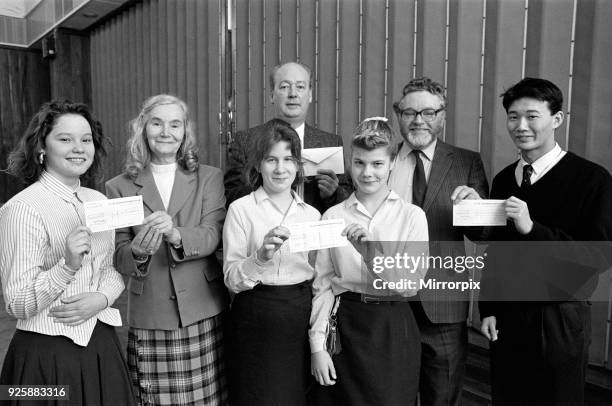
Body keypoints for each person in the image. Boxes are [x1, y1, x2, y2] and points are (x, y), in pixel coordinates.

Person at [479, 77, 612, 405]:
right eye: (513, 116)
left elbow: (599, 255)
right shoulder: (504, 179)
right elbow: (497, 253)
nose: (520, 125)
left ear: (557, 119)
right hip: (508, 317)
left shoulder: (591, 179)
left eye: (532, 116)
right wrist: (489, 308)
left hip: (560, 317)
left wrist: (532, 229)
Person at [0, 100, 134, 404]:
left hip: (102, 347)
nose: (78, 148)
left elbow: (110, 270)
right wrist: (67, 266)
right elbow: (17, 303)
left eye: (86, 140)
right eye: (65, 139)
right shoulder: (21, 209)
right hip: (45, 358)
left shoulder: (97, 199)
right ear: (41, 148)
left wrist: (101, 298)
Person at [105, 94, 229, 405]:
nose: (165, 132)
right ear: (142, 128)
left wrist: (175, 234)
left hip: (202, 307)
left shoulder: (209, 177)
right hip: (152, 311)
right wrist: (137, 250)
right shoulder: (118, 186)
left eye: (175, 124)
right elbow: (118, 255)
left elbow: (213, 234)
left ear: (185, 131)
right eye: (157, 123)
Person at [309, 118, 428, 405]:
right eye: (359, 163)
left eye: (376, 164)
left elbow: (409, 285)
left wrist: (370, 252)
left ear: (391, 165)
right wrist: (317, 346)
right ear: (350, 163)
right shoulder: (332, 216)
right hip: (345, 324)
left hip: (392, 326)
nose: (367, 172)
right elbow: (322, 285)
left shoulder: (412, 216)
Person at [388, 76, 489, 406]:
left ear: (443, 116)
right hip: (387, 299)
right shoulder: (379, 162)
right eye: (410, 112)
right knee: (390, 393)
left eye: (429, 112)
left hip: (443, 302)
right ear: (397, 114)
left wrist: (476, 210)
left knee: (442, 396)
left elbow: (484, 234)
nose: (419, 120)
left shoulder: (467, 161)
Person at [223, 121, 320, 406]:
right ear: (259, 165)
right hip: (254, 314)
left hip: (298, 314)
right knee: (255, 395)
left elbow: (321, 275)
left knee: (295, 395)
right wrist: (260, 258)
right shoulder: (241, 210)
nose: (280, 169)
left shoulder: (312, 216)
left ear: (299, 164)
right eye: (271, 159)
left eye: (288, 159)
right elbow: (231, 278)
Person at [224, 61, 351, 213]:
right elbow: (231, 196)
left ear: (310, 95)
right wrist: (266, 181)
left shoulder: (330, 143)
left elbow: (348, 200)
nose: (293, 94)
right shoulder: (245, 140)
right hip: (263, 228)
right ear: (272, 95)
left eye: (300, 87)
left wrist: (332, 194)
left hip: (313, 230)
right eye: (284, 87)